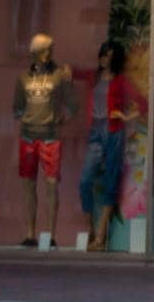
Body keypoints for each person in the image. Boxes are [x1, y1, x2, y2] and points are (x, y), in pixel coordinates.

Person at [80, 39, 144, 252]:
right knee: (85, 181)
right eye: (103, 53)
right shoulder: (94, 77)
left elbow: (143, 104)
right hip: (95, 130)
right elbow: (76, 74)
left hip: (113, 131)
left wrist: (126, 117)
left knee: (110, 180)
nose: (104, 57)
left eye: (108, 54)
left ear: (114, 57)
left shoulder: (121, 81)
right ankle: (89, 228)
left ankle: (100, 236)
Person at [14, 33, 74, 247]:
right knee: (29, 185)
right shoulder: (24, 78)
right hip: (29, 136)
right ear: (35, 53)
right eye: (44, 50)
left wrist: (60, 118)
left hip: (51, 136)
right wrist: (26, 119)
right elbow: (17, 107)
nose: (48, 54)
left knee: (51, 184)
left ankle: (51, 234)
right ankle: (30, 233)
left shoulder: (59, 76)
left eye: (50, 49)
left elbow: (71, 104)